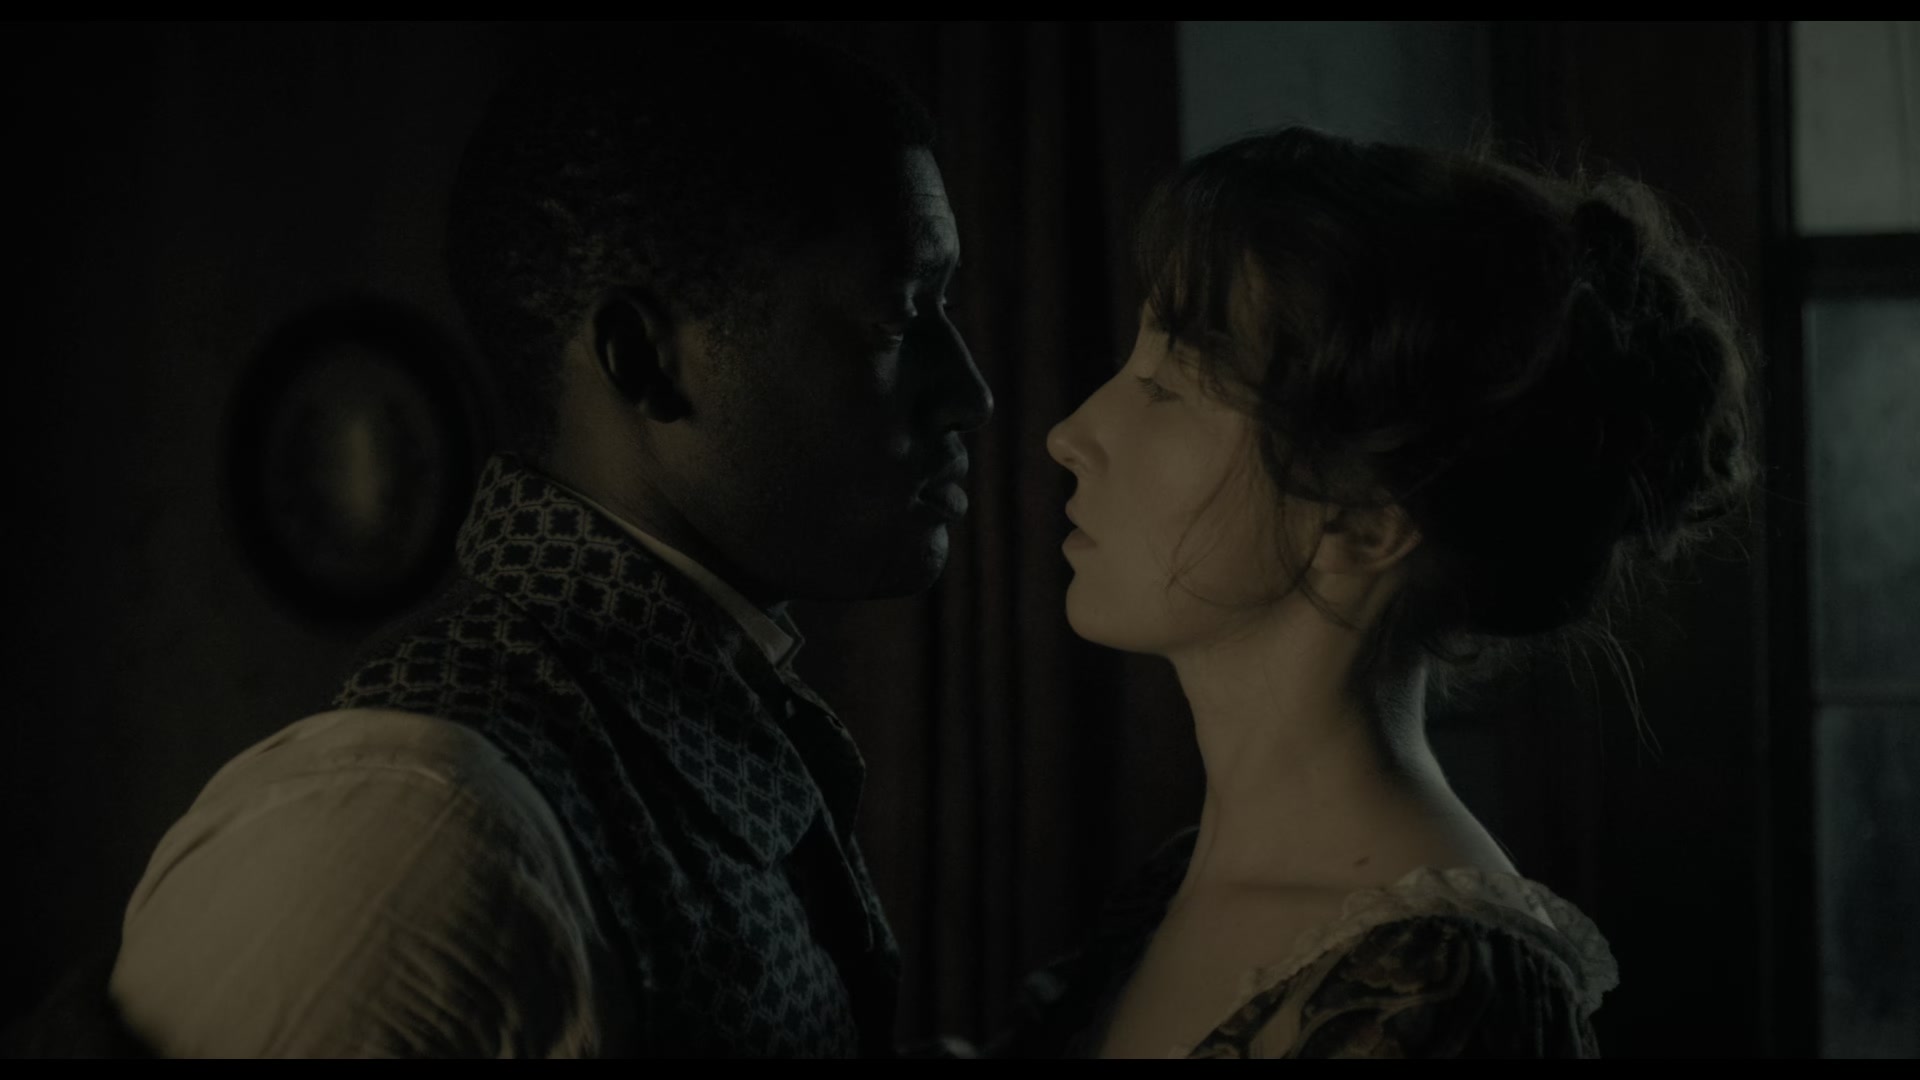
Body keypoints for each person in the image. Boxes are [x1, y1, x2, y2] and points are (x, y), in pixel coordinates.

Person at [94, 23, 991, 1057]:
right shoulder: (408, 828)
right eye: (898, 318)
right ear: (644, 359)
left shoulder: (671, 742)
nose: (970, 393)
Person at [999, 126, 1754, 1058]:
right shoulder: (1171, 888)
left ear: (1363, 519)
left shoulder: (1439, 984)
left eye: (1169, 385)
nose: (1071, 433)